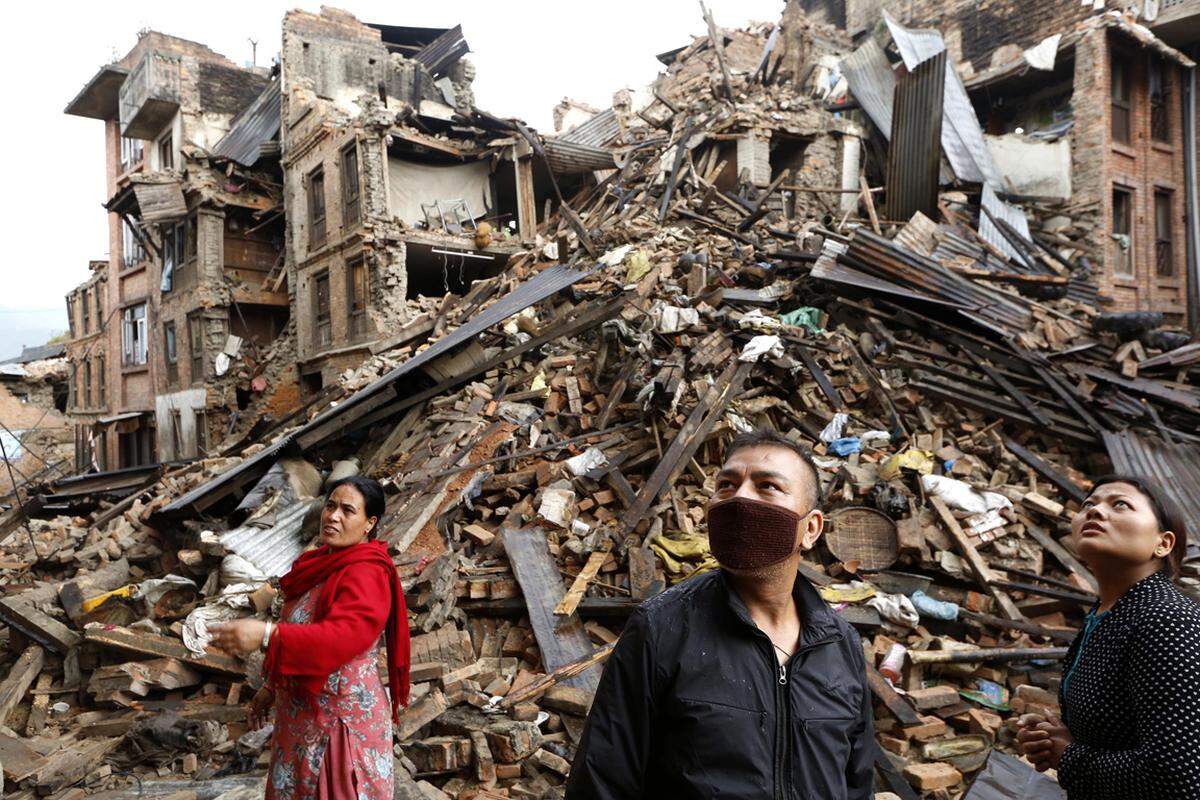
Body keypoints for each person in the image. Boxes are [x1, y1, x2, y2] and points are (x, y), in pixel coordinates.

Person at [565, 429, 874, 800]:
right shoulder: (662, 628)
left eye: (767, 486)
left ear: (810, 529)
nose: (740, 497)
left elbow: (857, 784)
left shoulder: (840, 645)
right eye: (726, 485)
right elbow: (602, 782)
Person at [210, 475, 410, 800]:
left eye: (348, 510)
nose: (333, 516)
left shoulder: (367, 573)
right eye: (330, 506)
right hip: (300, 718)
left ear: (369, 523)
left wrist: (266, 635)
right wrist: (271, 686)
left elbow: (339, 639)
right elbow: (299, 625)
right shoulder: (317, 564)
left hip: (339, 724)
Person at [1016, 474, 1200, 799]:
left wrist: (1068, 757)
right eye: (1089, 504)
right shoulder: (1109, 613)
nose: (1095, 511)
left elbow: (1177, 777)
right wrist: (1055, 737)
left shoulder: (1168, 618)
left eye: (1121, 505)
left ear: (1163, 543)